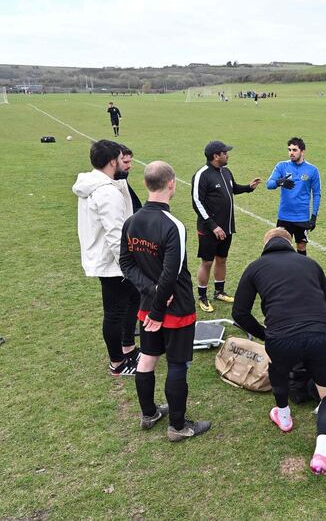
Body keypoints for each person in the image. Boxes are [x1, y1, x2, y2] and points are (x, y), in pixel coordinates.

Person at [232, 227, 326, 489]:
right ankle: (322, 452)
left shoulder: (255, 267)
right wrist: (322, 335)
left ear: (266, 245)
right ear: (290, 243)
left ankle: (284, 416)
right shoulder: (311, 263)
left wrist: (266, 335)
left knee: (278, 365)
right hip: (320, 334)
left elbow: (239, 313)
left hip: (281, 339)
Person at [120, 161, 211, 442]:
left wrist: (149, 291)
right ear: (171, 184)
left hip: (148, 307)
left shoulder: (131, 221)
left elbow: (126, 263)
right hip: (175, 309)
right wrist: (159, 305)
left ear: (147, 184)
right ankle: (178, 426)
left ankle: (149, 414)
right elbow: (171, 273)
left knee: (147, 358)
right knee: (176, 365)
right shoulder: (174, 225)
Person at [72, 139, 141, 377]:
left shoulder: (103, 185)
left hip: (112, 260)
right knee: (114, 312)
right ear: (112, 161)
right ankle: (118, 363)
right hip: (113, 264)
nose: (126, 164)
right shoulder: (106, 192)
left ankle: (129, 349)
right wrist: (128, 266)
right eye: (123, 160)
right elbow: (115, 234)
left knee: (133, 299)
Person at [191, 140, 262, 312]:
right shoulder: (202, 174)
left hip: (227, 227)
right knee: (207, 262)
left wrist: (248, 187)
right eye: (225, 152)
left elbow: (233, 188)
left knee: (222, 259)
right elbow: (197, 201)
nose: (227, 154)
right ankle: (202, 296)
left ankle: (219, 292)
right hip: (209, 229)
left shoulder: (226, 171)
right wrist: (213, 226)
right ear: (216, 156)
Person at [266, 137, 321, 256]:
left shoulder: (312, 170)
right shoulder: (282, 166)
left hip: (302, 217)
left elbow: (316, 194)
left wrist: (314, 216)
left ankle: (300, 272)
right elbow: (269, 185)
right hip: (284, 216)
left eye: (294, 150)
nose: (291, 153)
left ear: (302, 151)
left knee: (301, 247)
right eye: (289, 150)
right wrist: (279, 182)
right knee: (281, 248)